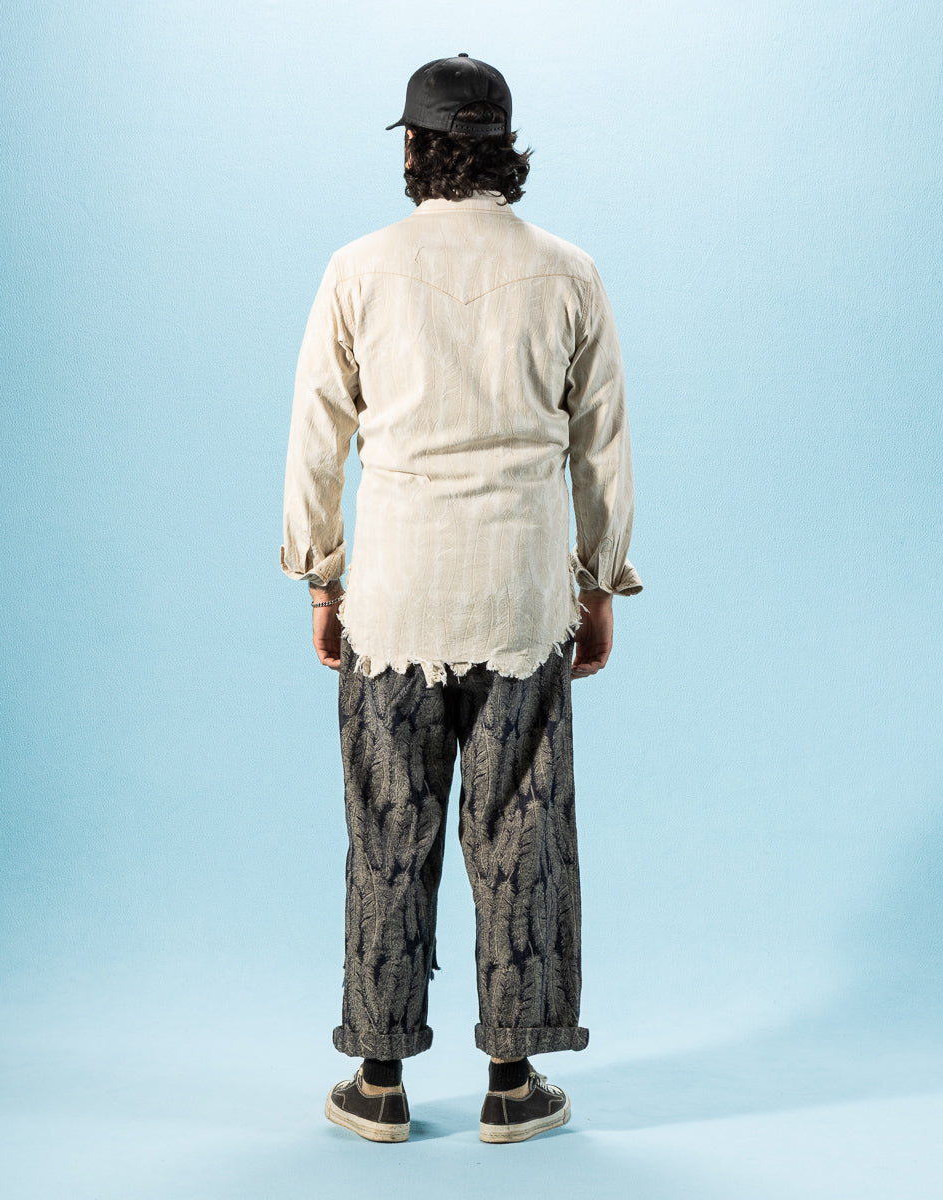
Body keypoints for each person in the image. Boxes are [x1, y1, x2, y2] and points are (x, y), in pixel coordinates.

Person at [280, 53, 642, 1144]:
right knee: (522, 828)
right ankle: (513, 1083)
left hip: (394, 600)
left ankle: (379, 1080)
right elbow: (602, 447)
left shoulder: (356, 269)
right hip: (522, 597)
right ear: (503, 150)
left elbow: (315, 439)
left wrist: (323, 578)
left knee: (387, 828)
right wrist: (599, 583)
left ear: (414, 147)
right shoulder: (569, 272)